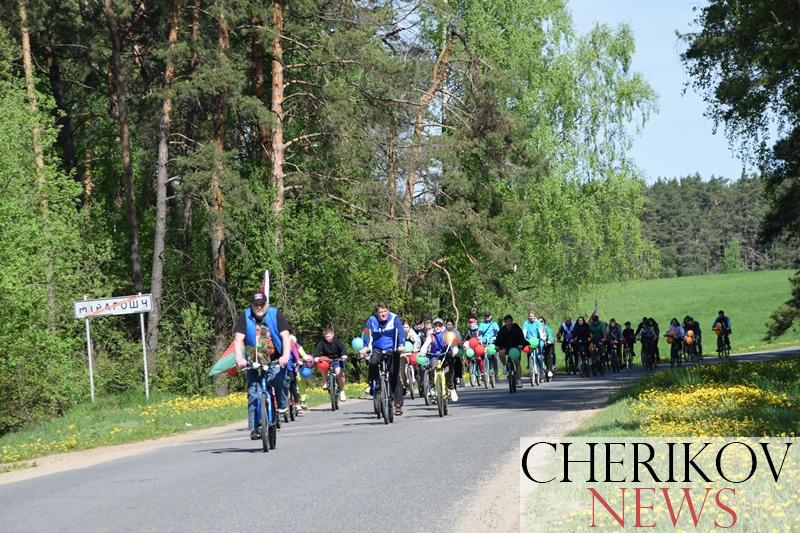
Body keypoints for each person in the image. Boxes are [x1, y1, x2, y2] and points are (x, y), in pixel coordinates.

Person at [234, 291, 293, 440]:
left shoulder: (275, 314)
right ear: (252, 305)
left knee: (281, 380)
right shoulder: (245, 316)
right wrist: (240, 358)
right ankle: (255, 428)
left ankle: (282, 405)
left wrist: (285, 356)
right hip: (254, 357)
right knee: (254, 392)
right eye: (256, 305)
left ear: (266, 304)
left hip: (276, 357)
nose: (259, 307)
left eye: (262, 304)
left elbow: (285, 336)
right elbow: (238, 339)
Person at [358, 302, 405, 416]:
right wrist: (365, 347)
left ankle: (397, 405)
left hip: (392, 350)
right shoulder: (371, 320)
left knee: (394, 376)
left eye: (384, 311)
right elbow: (366, 334)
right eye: (380, 312)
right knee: (373, 362)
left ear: (388, 311)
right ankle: (374, 382)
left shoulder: (394, 318)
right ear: (376, 313)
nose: (383, 314)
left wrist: (401, 344)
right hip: (377, 349)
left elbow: (400, 332)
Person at [419, 317, 458, 402]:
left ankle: (451, 388)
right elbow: (426, 344)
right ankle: (432, 386)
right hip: (435, 356)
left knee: (448, 372)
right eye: (436, 325)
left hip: (446, 355)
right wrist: (423, 350)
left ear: (442, 325)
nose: (437, 326)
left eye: (439, 325)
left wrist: (454, 349)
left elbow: (454, 342)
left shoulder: (447, 333)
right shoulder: (431, 335)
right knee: (433, 368)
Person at [313, 328, 348, 402]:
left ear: (332, 335)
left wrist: (344, 355)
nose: (327, 338)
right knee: (322, 366)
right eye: (326, 337)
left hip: (337, 359)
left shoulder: (337, 341)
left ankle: (342, 391)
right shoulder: (322, 342)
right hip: (326, 360)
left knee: (339, 373)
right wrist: (316, 356)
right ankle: (325, 382)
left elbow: (343, 349)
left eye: (329, 336)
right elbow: (317, 350)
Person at [495, 314, 526, 388]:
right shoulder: (502, 329)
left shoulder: (516, 327)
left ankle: (519, 380)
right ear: (504, 322)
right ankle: (505, 365)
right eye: (506, 322)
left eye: (509, 321)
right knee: (501, 352)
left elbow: (521, 337)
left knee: (517, 363)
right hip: (506, 347)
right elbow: (498, 338)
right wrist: (497, 346)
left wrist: (521, 344)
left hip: (515, 347)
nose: (508, 323)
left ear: (512, 321)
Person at [445, 318, 464, 386]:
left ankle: (459, 377)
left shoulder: (456, 332)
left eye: (450, 324)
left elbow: (459, 341)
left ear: (453, 325)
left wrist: (455, 345)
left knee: (457, 360)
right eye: (447, 324)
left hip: (456, 348)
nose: (449, 326)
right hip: (446, 349)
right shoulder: (444, 331)